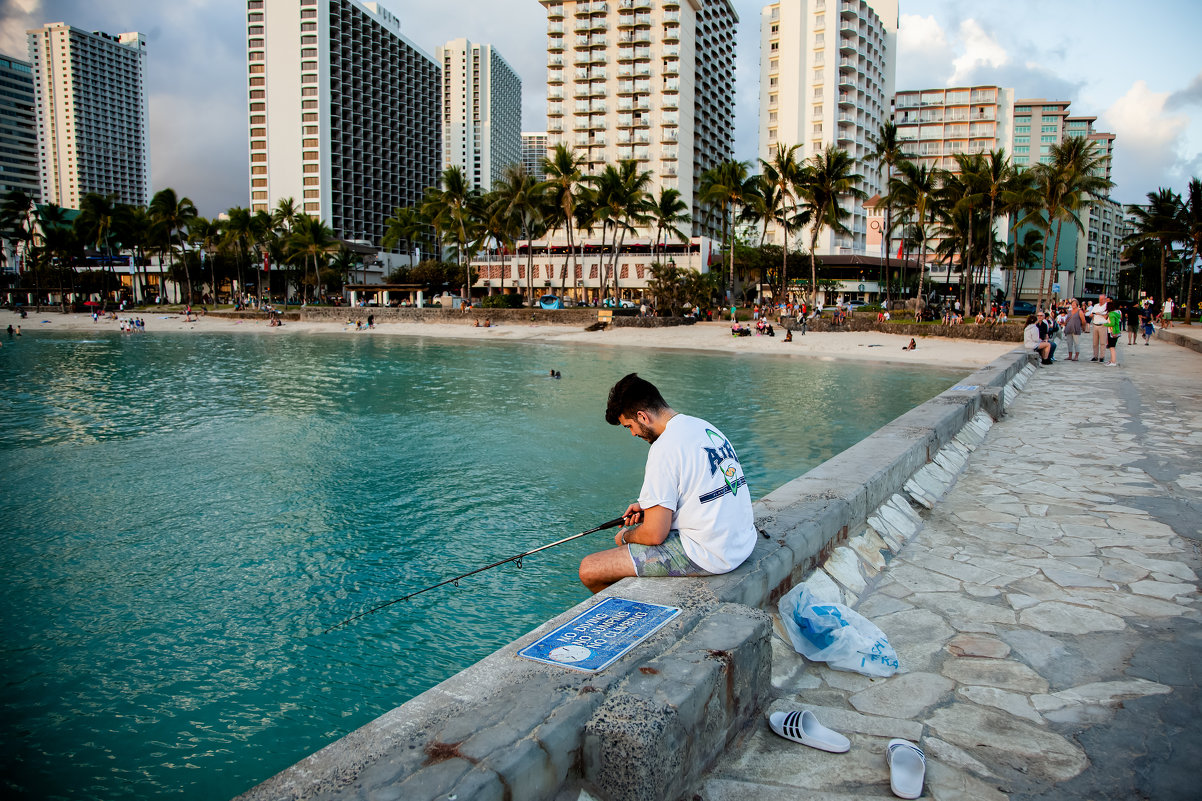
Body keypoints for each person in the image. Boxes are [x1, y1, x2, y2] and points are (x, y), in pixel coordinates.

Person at [578, 373, 757, 593]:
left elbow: (654, 534)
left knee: (589, 569)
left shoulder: (663, 449)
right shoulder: (704, 427)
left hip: (711, 554)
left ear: (643, 416)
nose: (633, 434)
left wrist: (626, 536)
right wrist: (650, 508)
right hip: (742, 542)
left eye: (629, 426)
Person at [1086, 294, 1109, 361]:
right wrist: (1091, 315)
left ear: (1105, 299)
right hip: (1095, 325)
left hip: (1102, 325)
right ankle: (1095, 356)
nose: (1100, 301)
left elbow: (1107, 315)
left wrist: (1100, 314)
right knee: (1095, 342)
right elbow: (1091, 314)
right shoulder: (1096, 305)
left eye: (1102, 299)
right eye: (1100, 299)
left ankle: (1102, 356)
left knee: (1102, 342)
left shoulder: (1107, 306)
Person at [1104, 300, 1121, 366]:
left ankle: (1113, 361)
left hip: (1112, 332)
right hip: (1116, 331)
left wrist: (1105, 324)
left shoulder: (1111, 314)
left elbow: (1112, 323)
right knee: (1112, 346)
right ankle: (1112, 360)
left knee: (1112, 347)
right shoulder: (1116, 313)